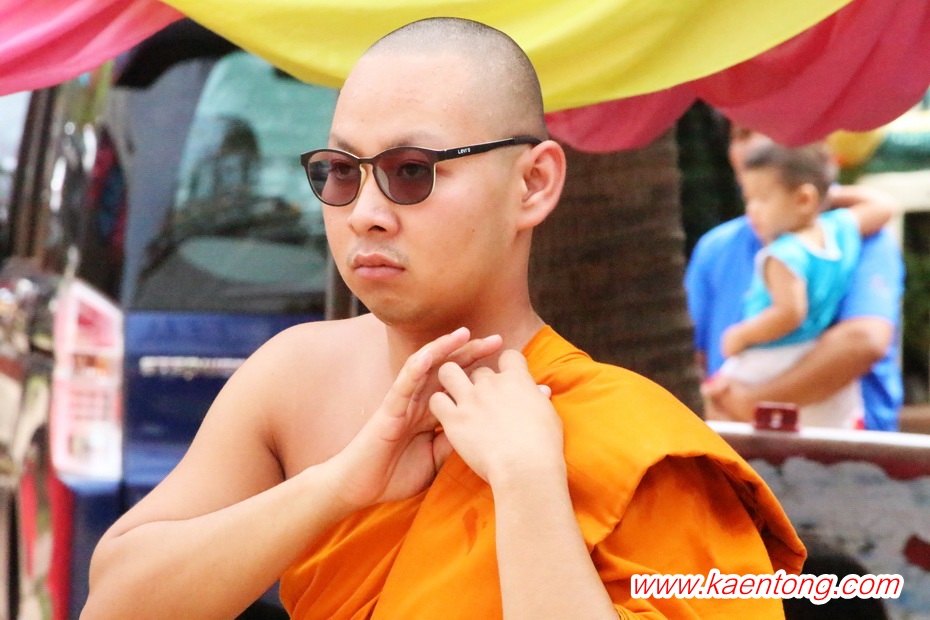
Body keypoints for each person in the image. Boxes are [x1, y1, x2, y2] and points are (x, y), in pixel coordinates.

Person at [84, 18, 804, 619]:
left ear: (533, 184)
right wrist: (337, 486)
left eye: (412, 171)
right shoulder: (294, 378)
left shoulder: (638, 450)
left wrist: (527, 487)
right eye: (342, 172)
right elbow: (116, 603)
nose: (365, 214)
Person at [688, 127, 904, 431]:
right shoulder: (839, 230)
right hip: (800, 427)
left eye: (767, 127)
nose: (754, 147)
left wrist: (748, 400)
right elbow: (692, 357)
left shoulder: (786, 252)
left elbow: (862, 340)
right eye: (741, 135)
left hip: (840, 450)